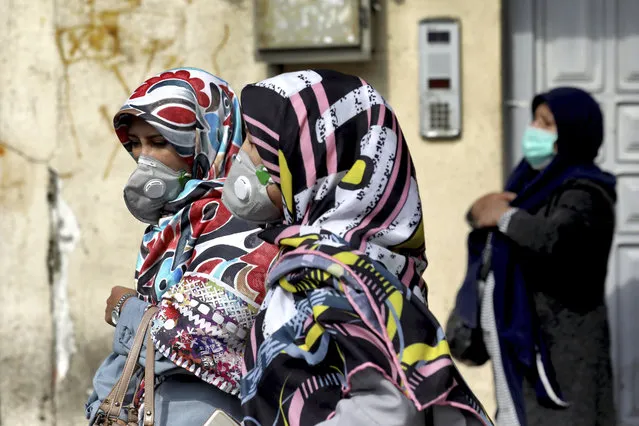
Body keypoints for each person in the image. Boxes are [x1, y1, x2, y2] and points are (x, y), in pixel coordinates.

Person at [221, 69, 493, 426]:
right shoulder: (324, 260)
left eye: (258, 146)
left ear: (314, 161)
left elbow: (388, 408)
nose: (244, 157)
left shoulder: (334, 272)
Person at [85, 68, 279, 425]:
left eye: (160, 143)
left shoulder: (238, 219)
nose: (145, 157)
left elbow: (190, 337)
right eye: (135, 144)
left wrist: (125, 309)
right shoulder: (173, 224)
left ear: (208, 138)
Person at [451, 87, 617, 425]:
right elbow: (487, 224)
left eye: (547, 124)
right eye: (535, 119)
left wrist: (505, 216)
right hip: (519, 367)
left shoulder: (587, 194)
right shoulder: (531, 186)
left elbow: (558, 240)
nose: (534, 130)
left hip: (562, 370)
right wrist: (481, 212)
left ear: (572, 136)